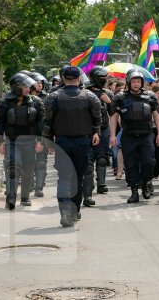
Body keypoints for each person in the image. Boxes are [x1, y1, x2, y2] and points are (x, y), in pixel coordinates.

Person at [43, 66, 102, 227]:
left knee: (64, 178)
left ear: (63, 79)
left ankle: (65, 212)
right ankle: (74, 210)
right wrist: (96, 132)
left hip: (62, 142)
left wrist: (48, 140)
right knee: (78, 178)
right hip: (83, 142)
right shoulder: (90, 97)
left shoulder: (53, 97)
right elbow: (97, 117)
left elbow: (47, 122)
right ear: (79, 78)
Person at [110, 69, 159, 204]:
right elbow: (114, 117)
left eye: (138, 81)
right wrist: (112, 136)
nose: (136, 84)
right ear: (129, 82)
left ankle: (146, 183)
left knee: (149, 162)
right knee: (131, 164)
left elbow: (156, 116)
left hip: (146, 135)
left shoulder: (151, 96)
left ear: (142, 82)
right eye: (133, 81)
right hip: (128, 136)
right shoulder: (120, 97)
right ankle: (134, 191)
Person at [0, 73, 45, 210]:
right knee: (13, 168)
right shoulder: (4, 103)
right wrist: (0, 142)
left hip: (30, 141)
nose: (29, 88)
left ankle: (25, 197)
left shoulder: (36, 102)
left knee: (28, 169)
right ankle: (10, 198)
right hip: (12, 141)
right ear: (16, 87)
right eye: (25, 86)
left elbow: (40, 123)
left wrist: (41, 141)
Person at [81, 66, 114, 206]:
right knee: (88, 162)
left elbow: (114, 112)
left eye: (105, 77)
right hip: (88, 130)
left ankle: (101, 183)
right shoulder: (84, 92)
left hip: (104, 128)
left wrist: (109, 102)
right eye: (102, 77)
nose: (105, 80)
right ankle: (87, 189)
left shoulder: (107, 93)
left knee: (102, 158)